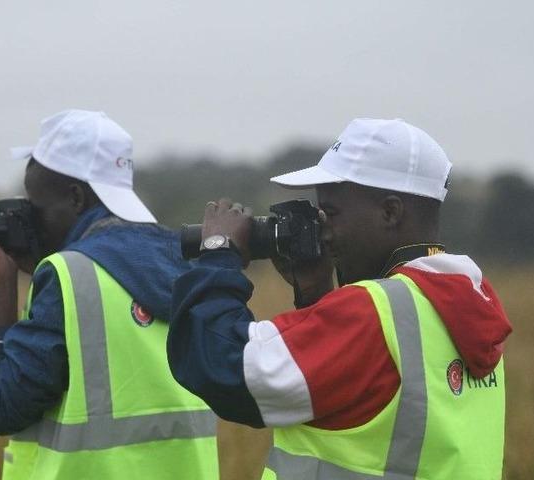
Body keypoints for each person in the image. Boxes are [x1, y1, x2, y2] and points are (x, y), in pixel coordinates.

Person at [167, 118, 513, 479]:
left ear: (390, 212)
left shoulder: (375, 313)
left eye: (330, 214)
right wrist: (317, 296)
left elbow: (227, 370)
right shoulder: (465, 305)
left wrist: (218, 253)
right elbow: (360, 408)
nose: (324, 233)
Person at [0, 109, 217, 479]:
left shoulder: (67, 277)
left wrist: (1, 275)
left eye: (35, 207)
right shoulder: (182, 263)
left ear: (75, 198)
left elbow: (3, 406)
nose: (31, 221)